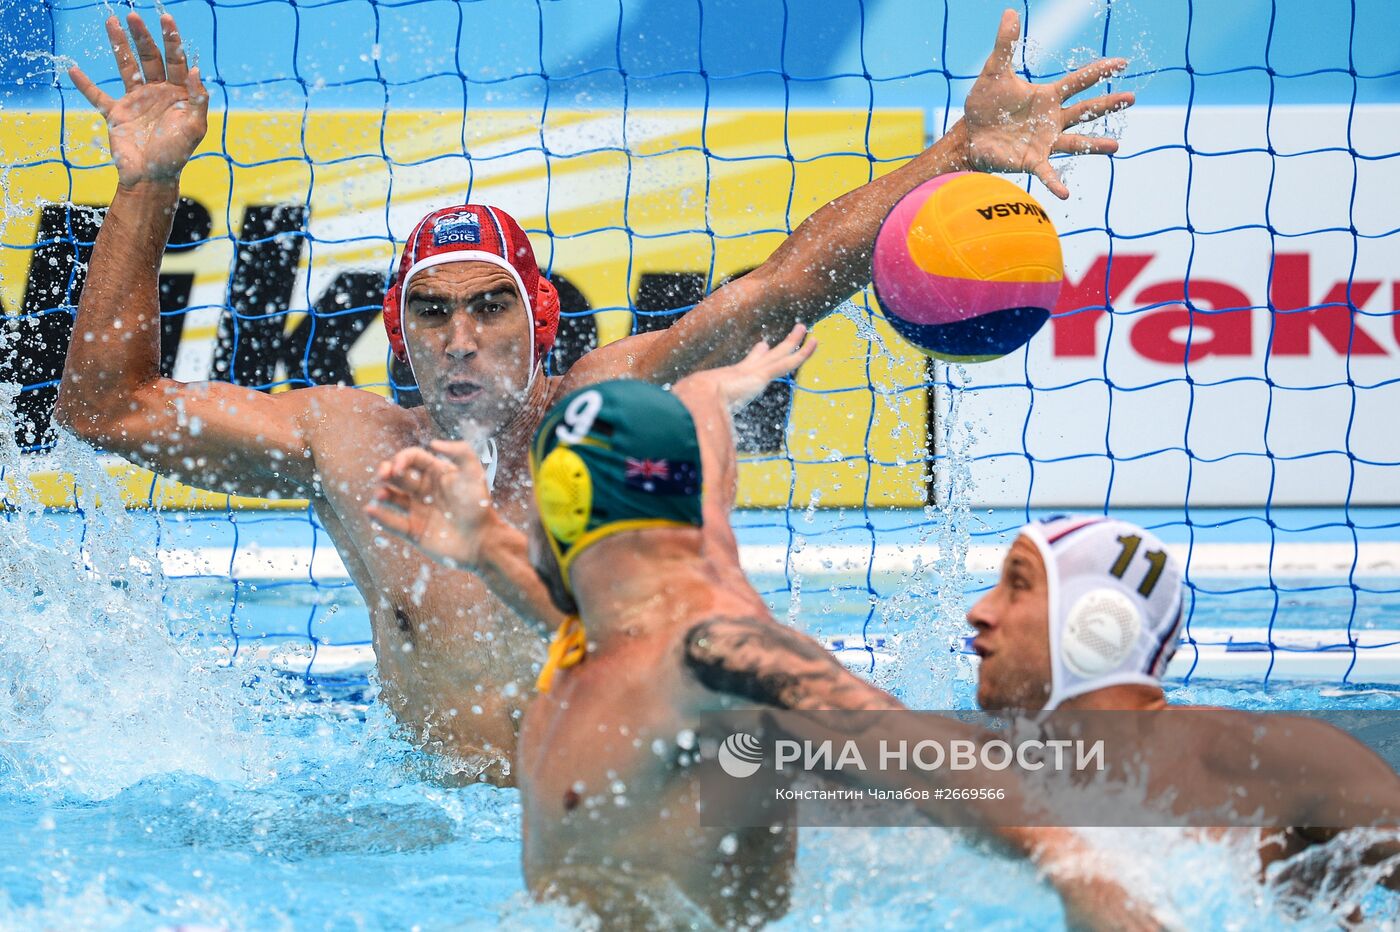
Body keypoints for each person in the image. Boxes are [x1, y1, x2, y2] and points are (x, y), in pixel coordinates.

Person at [56, 9, 1134, 782]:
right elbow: (108, 409)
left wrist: (956, 152)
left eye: (490, 309)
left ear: (539, 318)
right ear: (398, 331)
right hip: (431, 820)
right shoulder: (346, 442)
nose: (462, 340)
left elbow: (782, 284)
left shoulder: (604, 401)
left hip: (626, 801)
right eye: (431, 315)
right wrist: (148, 178)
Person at [365, 329, 1159, 930]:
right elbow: (701, 420)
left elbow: (913, 746)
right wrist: (719, 386)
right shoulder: (635, 593)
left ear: (566, 503)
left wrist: (1068, 864)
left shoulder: (710, 653)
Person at [968, 515, 1400, 914]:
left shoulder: (1280, 764)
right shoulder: (984, 770)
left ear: (1096, 622)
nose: (979, 612)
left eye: (1017, 584)